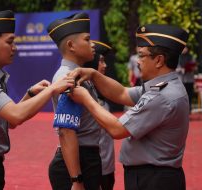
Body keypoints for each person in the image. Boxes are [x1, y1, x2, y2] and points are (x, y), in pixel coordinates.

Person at [0, 10, 74, 190]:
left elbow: (9, 121)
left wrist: (30, 94)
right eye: (10, 42)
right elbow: (16, 116)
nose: (15, 47)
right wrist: (53, 89)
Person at [69, 24, 189, 190]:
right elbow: (122, 94)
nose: (138, 62)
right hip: (152, 175)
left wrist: (86, 99)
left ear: (159, 60)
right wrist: (94, 75)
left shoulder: (161, 96)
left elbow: (117, 129)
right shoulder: (164, 86)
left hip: (153, 179)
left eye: (141, 56)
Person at [47, 13, 101, 190]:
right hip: (78, 162)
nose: (92, 44)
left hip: (84, 158)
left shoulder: (79, 74)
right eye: (87, 39)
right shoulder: (68, 77)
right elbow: (66, 131)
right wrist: (76, 180)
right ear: (71, 45)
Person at [84, 40, 115, 190]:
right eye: (101, 61)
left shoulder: (100, 92)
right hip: (94, 169)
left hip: (107, 167)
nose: (105, 65)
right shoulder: (83, 94)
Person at [176, 46, 197, 112]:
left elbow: (195, 67)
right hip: (181, 80)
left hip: (189, 79)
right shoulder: (177, 57)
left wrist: (193, 68)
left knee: (189, 95)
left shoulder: (191, 57)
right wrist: (180, 69)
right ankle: (181, 110)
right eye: (183, 48)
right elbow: (173, 69)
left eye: (185, 48)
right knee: (181, 96)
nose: (184, 50)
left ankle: (189, 110)